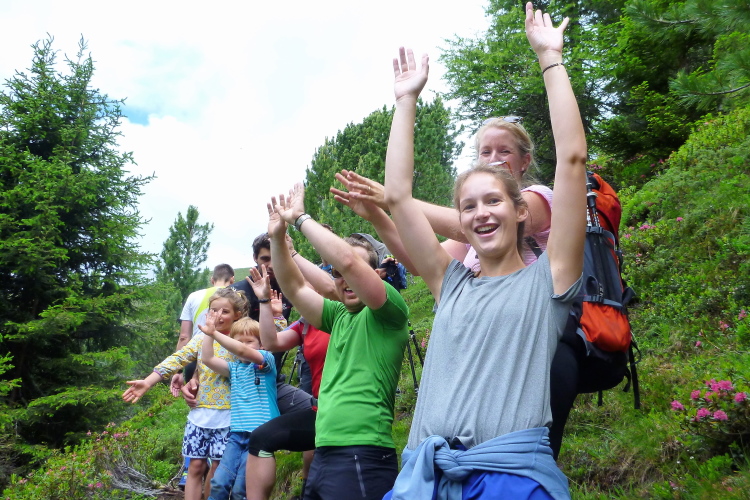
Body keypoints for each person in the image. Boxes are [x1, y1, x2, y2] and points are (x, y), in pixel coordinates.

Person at [382, 3, 586, 499]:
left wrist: (550, 60)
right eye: (468, 206)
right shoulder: (449, 282)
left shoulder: (550, 280)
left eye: (493, 200)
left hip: (509, 480)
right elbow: (398, 197)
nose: (481, 213)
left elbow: (573, 160)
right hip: (425, 480)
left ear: (519, 211)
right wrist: (406, 102)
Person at [266, 187, 410, 500]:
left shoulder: (388, 310)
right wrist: (277, 238)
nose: (345, 278)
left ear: (375, 274)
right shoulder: (338, 315)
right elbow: (294, 287)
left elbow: (348, 262)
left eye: (353, 272)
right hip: (325, 451)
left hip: (363, 453)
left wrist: (300, 218)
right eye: (337, 274)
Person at [123, 287, 249, 500]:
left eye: (225, 311)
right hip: (199, 414)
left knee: (218, 468)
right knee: (196, 466)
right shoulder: (200, 339)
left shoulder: (240, 342)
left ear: (237, 315)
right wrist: (149, 381)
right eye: (213, 310)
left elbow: (263, 347)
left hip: (229, 416)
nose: (217, 316)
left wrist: (275, 315)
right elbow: (177, 359)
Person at [242, 264, 331, 500]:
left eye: (304, 288)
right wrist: (265, 303)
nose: (299, 294)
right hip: (323, 410)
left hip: (350, 411)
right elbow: (270, 343)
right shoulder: (305, 323)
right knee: (261, 438)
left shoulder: (342, 315)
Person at [201, 315, 279, 500]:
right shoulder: (233, 369)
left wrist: (215, 333)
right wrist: (209, 334)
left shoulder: (265, 362)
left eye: (250, 341)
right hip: (236, 435)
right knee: (218, 483)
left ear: (261, 344)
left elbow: (243, 351)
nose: (244, 345)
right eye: (239, 341)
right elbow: (207, 358)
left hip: (260, 435)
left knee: (240, 490)